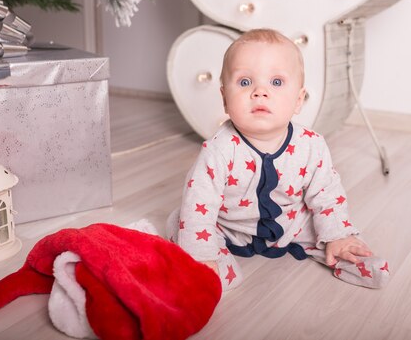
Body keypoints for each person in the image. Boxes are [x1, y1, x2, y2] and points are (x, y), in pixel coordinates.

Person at [167, 28, 389, 291]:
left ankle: (345, 252)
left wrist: (337, 233)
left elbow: (327, 195)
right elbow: (200, 201)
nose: (260, 92)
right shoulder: (218, 150)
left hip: (291, 224)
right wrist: (202, 252)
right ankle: (210, 267)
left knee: (324, 225)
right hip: (229, 227)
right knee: (184, 219)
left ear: (298, 100)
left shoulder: (311, 145)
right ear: (225, 99)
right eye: (245, 82)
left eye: (276, 82)